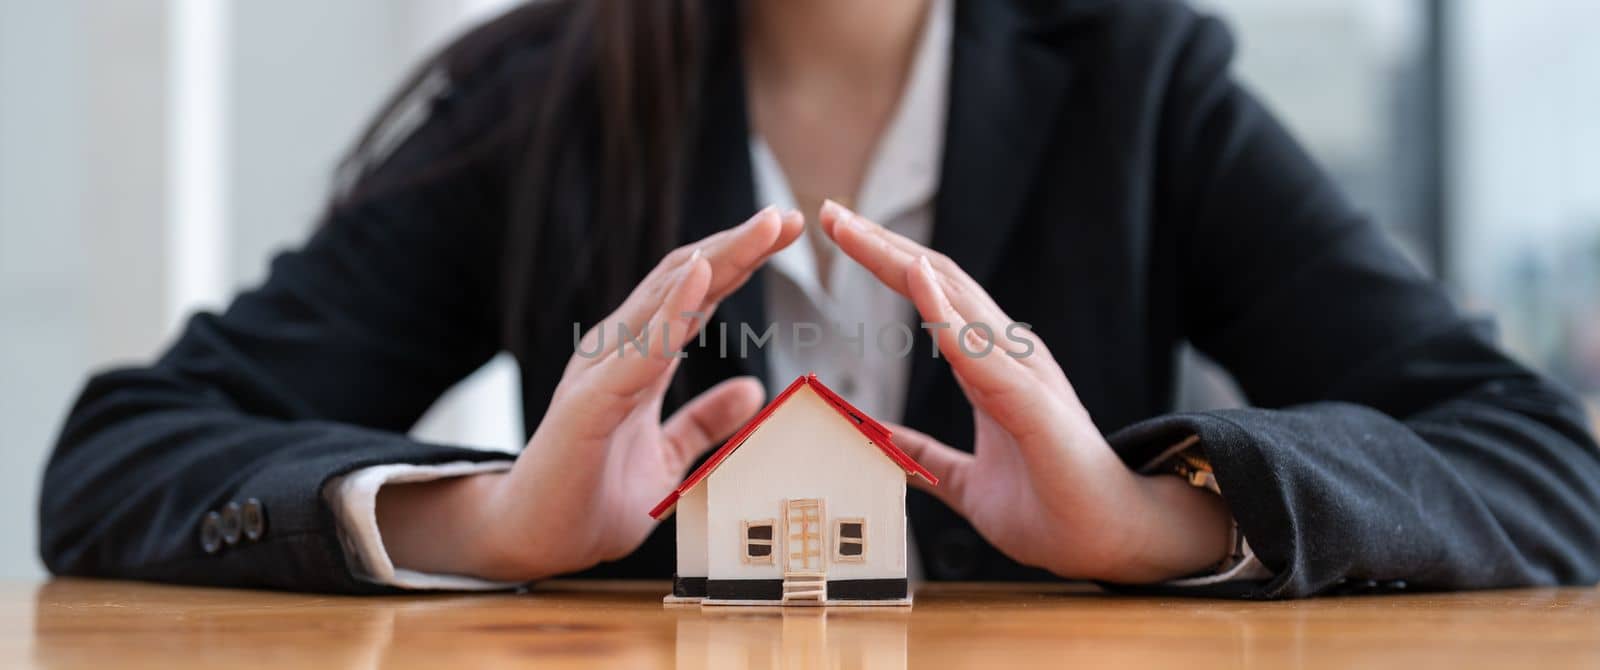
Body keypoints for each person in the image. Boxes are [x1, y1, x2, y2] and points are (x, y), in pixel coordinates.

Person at [40, 0, 1600, 598]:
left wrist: (1158, 518)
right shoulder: (546, 103)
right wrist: (489, 523)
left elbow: (1542, 463)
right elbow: (123, 451)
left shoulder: (1141, 86)